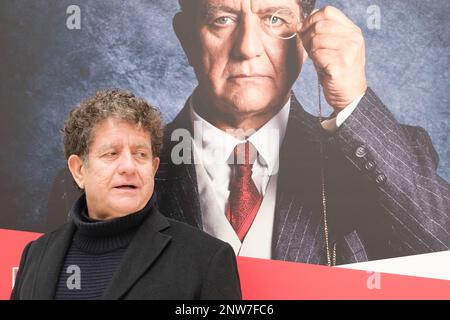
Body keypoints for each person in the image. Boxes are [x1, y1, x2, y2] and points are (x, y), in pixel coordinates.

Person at [154, 0, 450, 265]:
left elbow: (441, 250)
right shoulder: (131, 167)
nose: (246, 48)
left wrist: (353, 102)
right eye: (222, 20)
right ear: (186, 37)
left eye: (274, 19)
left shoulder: (379, 158)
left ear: (307, 38)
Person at [11, 89, 242, 300]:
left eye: (140, 154)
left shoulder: (206, 259)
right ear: (79, 170)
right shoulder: (36, 254)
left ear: (153, 168)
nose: (129, 167)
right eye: (111, 153)